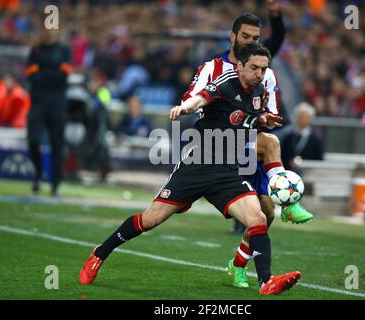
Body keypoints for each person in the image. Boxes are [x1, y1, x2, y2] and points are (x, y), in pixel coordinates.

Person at [79, 43, 301, 295]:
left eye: (263, 69)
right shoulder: (225, 83)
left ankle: (266, 281)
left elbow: (241, 118)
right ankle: (100, 252)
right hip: (197, 165)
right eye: (253, 68)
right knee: (150, 219)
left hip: (226, 172)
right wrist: (186, 107)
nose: (259, 74)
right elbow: (202, 98)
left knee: (258, 217)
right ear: (239, 65)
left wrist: (261, 120)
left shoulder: (259, 90)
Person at [181, 12, 313, 288]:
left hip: (248, 145)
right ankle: (289, 201)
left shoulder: (266, 75)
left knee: (266, 214)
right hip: (215, 147)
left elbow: (270, 117)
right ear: (233, 37)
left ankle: (238, 265)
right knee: (270, 147)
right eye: (245, 37)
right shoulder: (212, 69)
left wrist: (256, 119)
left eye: (255, 38)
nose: (249, 41)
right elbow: (193, 101)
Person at [25, 28, 72, 196]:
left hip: (57, 104)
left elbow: (64, 75)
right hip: (38, 103)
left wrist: (42, 75)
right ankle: (38, 173)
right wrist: (52, 75)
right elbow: (30, 74)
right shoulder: (35, 51)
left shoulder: (64, 51)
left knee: (57, 145)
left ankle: (55, 182)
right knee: (32, 140)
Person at [280, 102, 324, 172]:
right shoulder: (288, 138)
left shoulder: (315, 139)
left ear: (311, 119)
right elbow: (282, 157)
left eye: (305, 117)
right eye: (300, 116)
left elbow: (319, 160)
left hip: (308, 174)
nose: (302, 119)